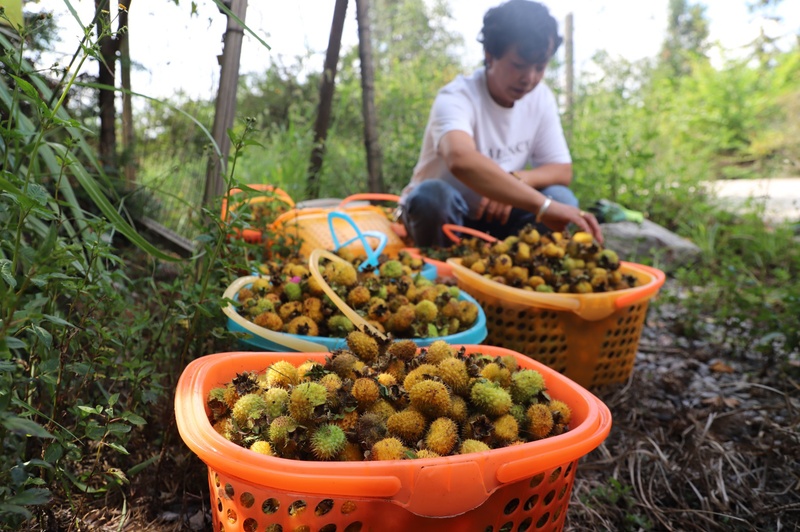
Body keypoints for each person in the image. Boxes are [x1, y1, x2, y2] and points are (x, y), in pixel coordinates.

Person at [399, 0, 602, 248]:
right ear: (490, 55)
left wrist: (516, 181)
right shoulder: (456, 97)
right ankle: (440, 265)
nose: (529, 78)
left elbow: (561, 169)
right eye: (518, 65)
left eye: (540, 67)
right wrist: (541, 206)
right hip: (448, 217)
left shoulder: (540, 98)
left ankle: (519, 269)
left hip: (500, 217)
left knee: (562, 198)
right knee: (432, 197)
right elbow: (460, 159)